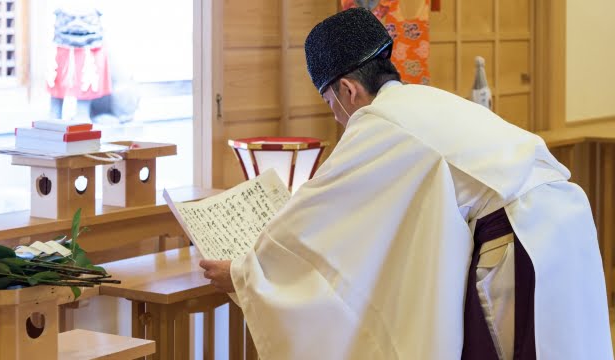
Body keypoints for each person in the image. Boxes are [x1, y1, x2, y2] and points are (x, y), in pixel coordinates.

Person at [200, 7, 612, 359]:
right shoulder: (423, 101)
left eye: (330, 104)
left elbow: (311, 217)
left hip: (521, 243)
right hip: (564, 223)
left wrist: (243, 273)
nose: (337, 116)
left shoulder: (378, 122)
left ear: (347, 89)